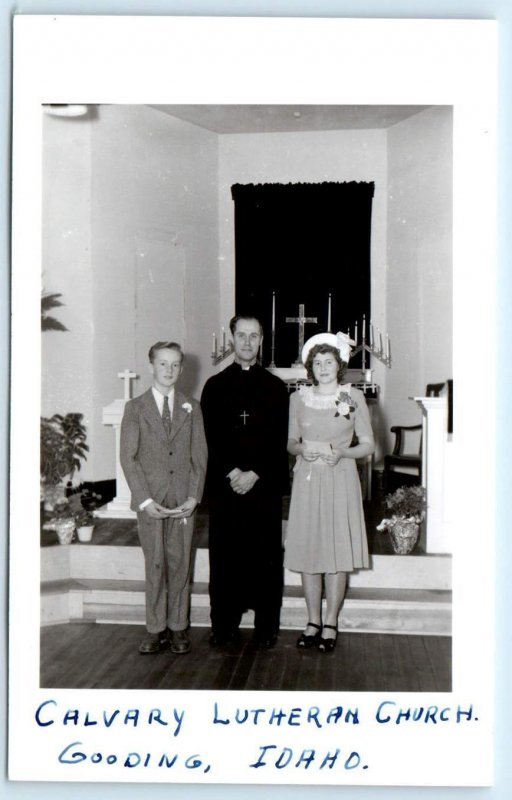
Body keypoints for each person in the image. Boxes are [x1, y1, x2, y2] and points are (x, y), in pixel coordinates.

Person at [200, 315, 289, 649]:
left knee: (266, 557)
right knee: (224, 557)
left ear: (262, 339)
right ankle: (223, 625)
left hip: (262, 487)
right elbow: (209, 438)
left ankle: (267, 627)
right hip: (227, 488)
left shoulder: (276, 387)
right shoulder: (214, 386)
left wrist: (255, 473)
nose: (247, 342)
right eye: (241, 335)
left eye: (254, 336)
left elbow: (279, 439)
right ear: (231, 339)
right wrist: (232, 472)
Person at [285, 331, 375, 653]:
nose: (323, 367)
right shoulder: (298, 398)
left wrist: (343, 453)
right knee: (311, 552)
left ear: (339, 366)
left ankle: (331, 622)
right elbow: (290, 441)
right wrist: (299, 450)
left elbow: (367, 445)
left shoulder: (350, 398)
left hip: (340, 477)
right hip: (308, 479)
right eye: (317, 362)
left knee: (336, 554)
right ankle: (312, 621)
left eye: (329, 361)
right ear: (310, 367)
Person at [120, 341, 207, 655]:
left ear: (181, 369)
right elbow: (128, 458)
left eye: (175, 365)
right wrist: (143, 500)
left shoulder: (191, 407)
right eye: (162, 364)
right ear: (151, 366)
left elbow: (200, 457)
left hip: (182, 500)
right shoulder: (135, 408)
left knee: (181, 562)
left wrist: (194, 496)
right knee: (155, 563)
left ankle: (178, 627)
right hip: (151, 501)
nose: (169, 370)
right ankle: (155, 628)